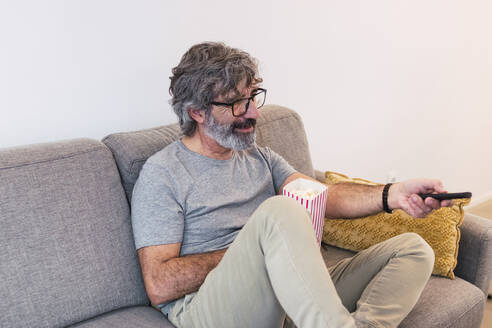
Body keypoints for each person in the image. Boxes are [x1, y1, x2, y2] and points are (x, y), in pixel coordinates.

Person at [131, 42, 452, 328]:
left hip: (284, 288)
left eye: (253, 97)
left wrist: (393, 194)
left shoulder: (259, 157)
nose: (253, 112)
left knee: (412, 249)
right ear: (197, 113)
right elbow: (159, 284)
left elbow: (322, 195)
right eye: (235, 103)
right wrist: (263, 250)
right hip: (207, 308)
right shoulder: (163, 173)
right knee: (281, 210)